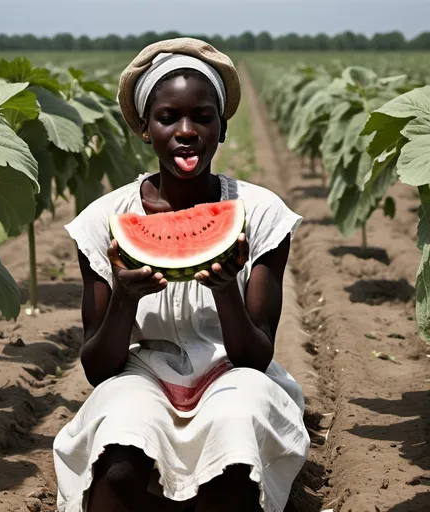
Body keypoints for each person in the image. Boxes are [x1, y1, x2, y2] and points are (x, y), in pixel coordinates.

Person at [53, 38, 310, 512]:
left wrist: (225, 290)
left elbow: (255, 356)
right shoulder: (102, 221)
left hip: (235, 372)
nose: (186, 131)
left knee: (233, 447)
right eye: (168, 117)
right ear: (145, 130)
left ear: (223, 126)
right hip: (141, 374)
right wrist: (126, 297)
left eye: (203, 117)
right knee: (118, 457)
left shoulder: (261, 213)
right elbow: (97, 368)